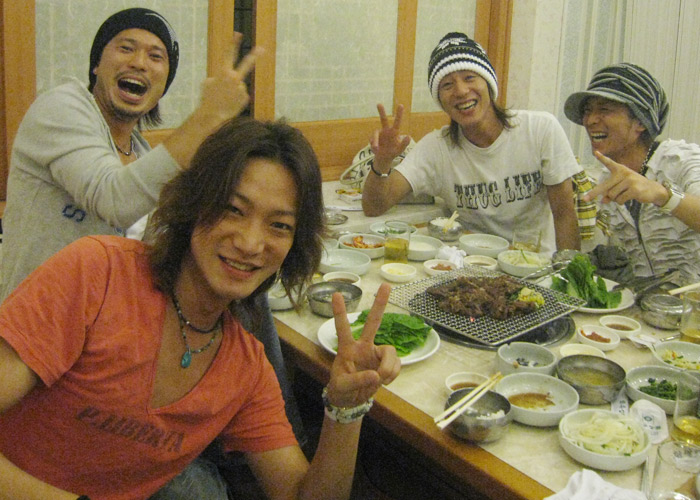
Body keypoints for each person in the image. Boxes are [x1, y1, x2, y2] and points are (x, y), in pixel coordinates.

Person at [0, 117, 401, 500]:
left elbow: (301, 494)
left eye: (279, 225)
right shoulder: (97, 275)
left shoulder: (243, 368)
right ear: (194, 202)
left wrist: (346, 410)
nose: (250, 243)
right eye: (233, 209)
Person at [0, 7, 260, 300]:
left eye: (155, 56)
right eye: (126, 48)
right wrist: (208, 115)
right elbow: (115, 200)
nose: (139, 63)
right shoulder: (60, 108)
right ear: (97, 64)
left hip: (104, 320)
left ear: (163, 86)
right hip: (33, 318)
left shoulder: (142, 155)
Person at [362, 32, 582, 255]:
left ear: (489, 83)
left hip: (533, 265)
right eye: (447, 85)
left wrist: (569, 271)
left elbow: (564, 214)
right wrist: (382, 161)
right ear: (441, 101)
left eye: (469, 77)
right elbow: (374, 207)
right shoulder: (437, 148)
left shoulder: (541, 130)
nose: (460, 91)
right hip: (469, 265)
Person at [564, 62, 700, 283]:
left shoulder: (681, 159)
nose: (589, 120)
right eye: (588, 111)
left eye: (604, 110)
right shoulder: (608, 180)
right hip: (646, 300)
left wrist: (662, 195)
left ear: (640, 122)